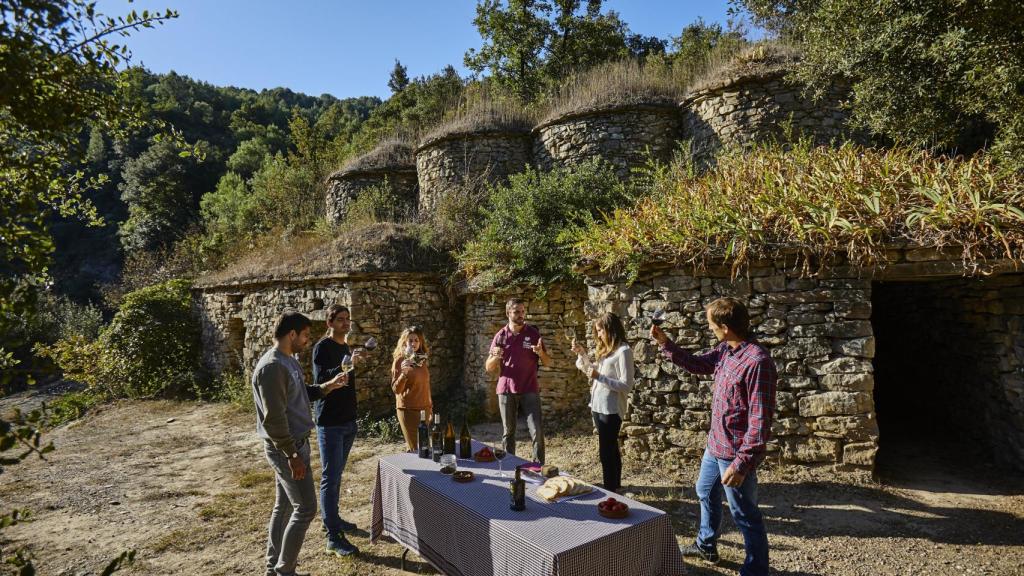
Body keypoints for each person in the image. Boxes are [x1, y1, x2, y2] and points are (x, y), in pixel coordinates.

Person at [651, 297, 776, 576]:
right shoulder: (725, 350)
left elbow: (760, 422)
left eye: (711, 324)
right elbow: (698, 364)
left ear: (725, 327)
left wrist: (742, 464)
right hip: (715, 444)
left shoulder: (758, 362)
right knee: (705, 491)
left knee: (745, 515)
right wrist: (665, 343)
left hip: (734, 454)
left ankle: (756, 571)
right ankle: (706, 544)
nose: (709, 328)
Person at [253, 310, 347, 576]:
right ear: (291, 334)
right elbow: (274, 419)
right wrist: (292, 455)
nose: (308, 340)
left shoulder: (288, 360)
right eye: (305, 335)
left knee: (284, 507)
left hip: (296, 445)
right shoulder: (272, 367)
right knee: (305, 508)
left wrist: (328, 386)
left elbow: (302, 393)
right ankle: (285, 571)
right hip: (288, 449)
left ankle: (274, 568)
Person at [310, 304, 368, 557]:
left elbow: (347, 383)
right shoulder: (322, 347)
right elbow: (322, 380)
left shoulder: (345, 347)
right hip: (330, 422)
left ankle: (333, 519)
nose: (346, 323)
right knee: (330, 478)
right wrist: (347, 364)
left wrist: (352, 360)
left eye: (348, 319)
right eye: (341, 319)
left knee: (337, 475)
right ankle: (332, 537)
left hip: (347, 420)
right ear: (329, 323)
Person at [571, 312, 633, 493]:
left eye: (600, 331)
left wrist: (599, 377)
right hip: (597, 406)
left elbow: (626, 385)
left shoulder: (624, 351)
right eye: (597, 331)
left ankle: (609, 489)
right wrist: (582, 354)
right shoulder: (607, 351)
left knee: (606, 452)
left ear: (610, 330)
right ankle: (615, 486)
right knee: (611, 448)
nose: (598, 335)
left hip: (611, 409)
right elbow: (591, 371)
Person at [485, 298, 552, 464]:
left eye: (523, 311)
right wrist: (496, 357)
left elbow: (548, 362)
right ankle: (510, 466)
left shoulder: (533, 334)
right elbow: (489, 367)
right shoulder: (500, 336)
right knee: (508, 432)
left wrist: (540, 353)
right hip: (506, 389)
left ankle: (538, 466)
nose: (521, 315)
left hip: (529, 388)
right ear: (508, 313)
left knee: (537, 430)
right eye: (516, 312)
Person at [390, 325, 433, 452]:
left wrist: (430, 406)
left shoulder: (421, 360)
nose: (413, 343)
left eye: (416, 340)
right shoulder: (400, 361)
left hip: (424, 409)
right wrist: (403, 373)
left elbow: (425, 385)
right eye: (410, 340)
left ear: (420, 343)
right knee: (416, 449)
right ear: (404, 342)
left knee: (425, 448)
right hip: (408, 410)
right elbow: (396, 389)